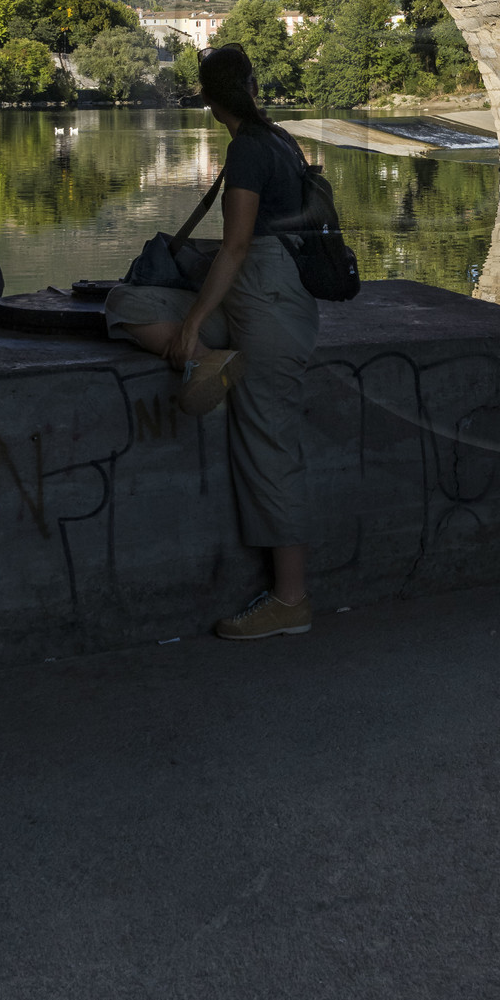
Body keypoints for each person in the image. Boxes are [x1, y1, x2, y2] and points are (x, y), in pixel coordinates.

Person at [104, 45, 319, 641]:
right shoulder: (276, 140)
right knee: (126, 303)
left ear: (205, 97)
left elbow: (239, 245)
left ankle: (291, 600)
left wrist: (195, 319)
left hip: (269, 305)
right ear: (251, 86)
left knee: (270, 445)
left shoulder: (250, 149)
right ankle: (208, 362)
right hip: (260, 301)